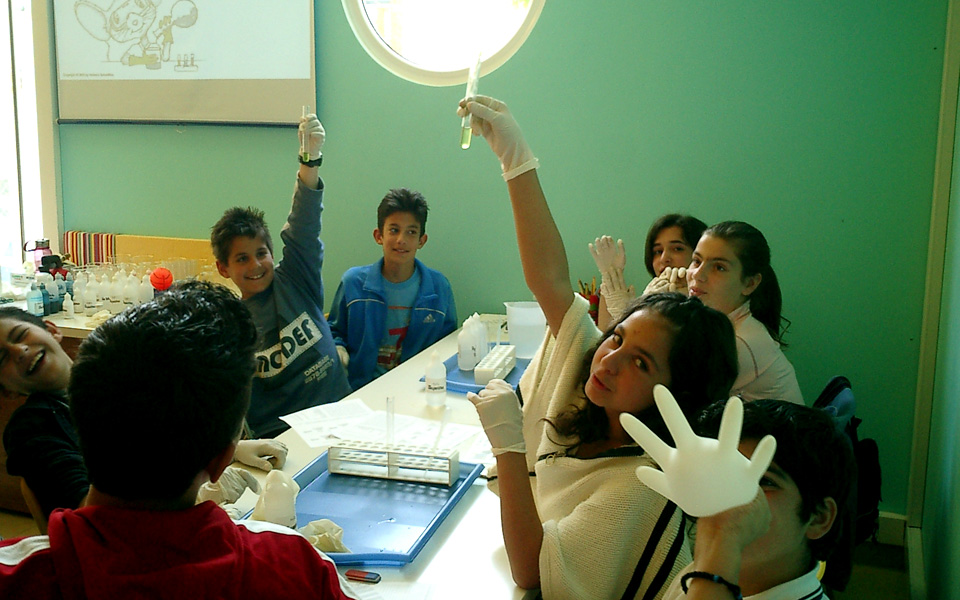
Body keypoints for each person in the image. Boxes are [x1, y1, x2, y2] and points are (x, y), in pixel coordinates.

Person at [459, 95, 739, 599]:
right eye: (617, 336)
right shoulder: (596, 387)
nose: (609, 358)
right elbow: (550, 281)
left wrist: (507, 445)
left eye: (641, 362)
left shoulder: (640, 484)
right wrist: (516, 159)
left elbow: (531, 572)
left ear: (674, 394)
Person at [0, 280, 358, 599]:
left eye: (18, 337)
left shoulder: (17, 577)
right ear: (220, 460)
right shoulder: (296, 569)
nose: (21, 353)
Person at [0, 305, 288, 520]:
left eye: (19, 335)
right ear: (6, 389)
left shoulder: (112, 373)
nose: (19, 351)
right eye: (2, 358)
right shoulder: (33, 428)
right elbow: (91, 511)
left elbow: (163, 437)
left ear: (52, 329)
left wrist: (224, 446)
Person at [211, 111, 351, 437]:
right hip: (281, 438)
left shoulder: (296, 279)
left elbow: (304, 223)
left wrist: (310, 160)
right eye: (242, 259)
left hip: (340, 413)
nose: (256, 265)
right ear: (223, 268)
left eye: (262, 254)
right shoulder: (230, 325)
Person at [661, 399, 855, 599]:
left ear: (818, 518)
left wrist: (713, 574)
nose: (726, 495)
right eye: (722, 475)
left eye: (764, 481)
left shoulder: (710, 574)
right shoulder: (695, 574)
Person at [328, 188, 457, 390]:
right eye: (394, 230)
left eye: (411, 232)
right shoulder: (353, 283)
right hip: (360, 392)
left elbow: (447, 345)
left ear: (422, 240)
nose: (401, 240)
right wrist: (338, 349)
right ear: (379, 235)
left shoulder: (439, 288)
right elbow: (334, 330)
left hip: (417, 392)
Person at [686, 221, 803, 404]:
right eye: (697, 261)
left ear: (750, 284)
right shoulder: (720, 323)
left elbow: (669, 392)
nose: (697, 275)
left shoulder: (741, 342)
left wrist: (651, 304)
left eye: (719, 267)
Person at [591, 214, 706, 330]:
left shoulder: (710, 304)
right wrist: (610, 275)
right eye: (658, 251)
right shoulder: (651, 292)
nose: (664, 258)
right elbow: (603, 342)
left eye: (677, 249)